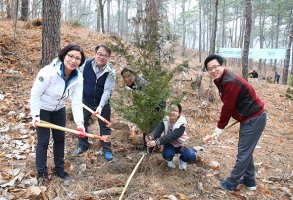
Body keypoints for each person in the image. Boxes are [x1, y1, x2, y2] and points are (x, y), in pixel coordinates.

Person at [203, 54, 267, 191]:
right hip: (248, 118)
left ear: (223, 65)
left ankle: (231, 183)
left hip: (254, 118)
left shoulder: (230, 81)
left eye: (215, 67)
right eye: (209, 69)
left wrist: (219, 128)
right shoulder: (221, 80)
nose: (213, 70)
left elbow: (228, 107)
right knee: (245, 150)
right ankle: (250, 181)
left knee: (243, 152)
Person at [30, 44, 86, 182]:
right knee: (43, 141)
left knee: (60, 140)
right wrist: (35, 116)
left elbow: (76, 101)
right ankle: (42, 173)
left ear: (81, 61)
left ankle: (59, 170)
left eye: (77, 58)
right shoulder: (48, 71)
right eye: (70, 56)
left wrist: (80, 124)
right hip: (43, 109)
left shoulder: (78, 78)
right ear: (64, 55)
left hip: (59, 110)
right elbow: (35, 94)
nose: (73, 61)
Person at [73, 44, 116, 161]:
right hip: (85, 101)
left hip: (102, 103)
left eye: (105, 55)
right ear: (95, 54)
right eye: (100, 54)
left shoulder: (111, 72)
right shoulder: (85, 64)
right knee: (82, 123)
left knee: (105, 126)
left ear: (108, 58)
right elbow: (76, 78)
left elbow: (107, 90)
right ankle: (83, 145)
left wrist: (100, 107)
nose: (101, 57)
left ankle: (106, 148)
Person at [145, 104, 197, 170]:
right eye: (170, 110)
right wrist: (151, 136)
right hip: (170, 144)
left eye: (175, 110)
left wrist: (156, 142)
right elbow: (158, 129)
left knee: (191, 155)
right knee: (166, 155)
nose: (172, 112)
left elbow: (171, 136)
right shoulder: (165, 120)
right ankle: (169, 160)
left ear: (179, 113)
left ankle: (183, 160)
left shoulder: (182, 124)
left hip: (183, 144)